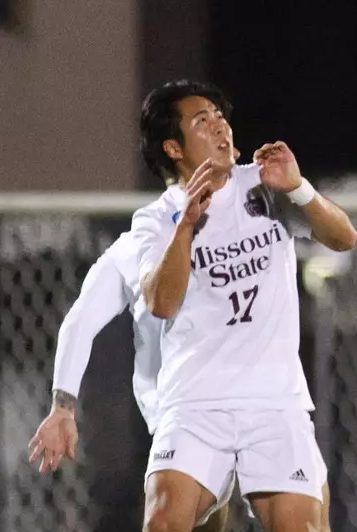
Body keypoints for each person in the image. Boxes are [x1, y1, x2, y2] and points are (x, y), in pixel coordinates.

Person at [129, 79, 357, 532]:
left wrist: (300, 189)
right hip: (196, 404)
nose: (220, 127)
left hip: (272, 401)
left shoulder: (266, 186)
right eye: (202, 121)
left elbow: (344, 237)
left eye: (220, 117)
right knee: (163, 523)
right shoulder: (156, 220)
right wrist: (187, 228)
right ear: (173, 148)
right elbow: (160, 303)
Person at [25, 219, 236, 532]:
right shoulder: (140, 242)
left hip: (233, 405)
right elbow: (82, 318)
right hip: (166, 413)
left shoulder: (244, 228)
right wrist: (63, 405)